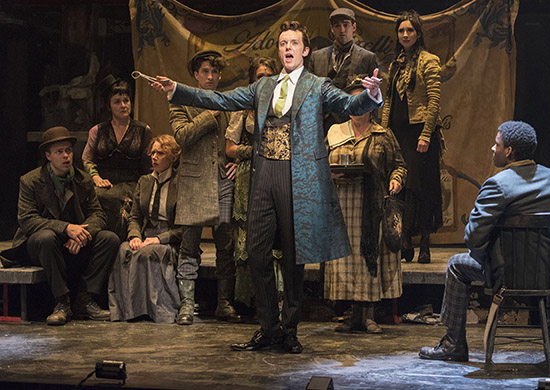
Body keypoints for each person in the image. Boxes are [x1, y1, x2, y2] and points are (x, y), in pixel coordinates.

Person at [149, 20, 384, 354]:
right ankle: (268, 328)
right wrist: (177, 90)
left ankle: (288, 330)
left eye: (294, 43)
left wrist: (373, 94)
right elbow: (221, 99)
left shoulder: (317, 86)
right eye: (283, 43)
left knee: (293, 257)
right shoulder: (262, 88)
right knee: (257, 252)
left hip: (296, 176)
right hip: (264, 173)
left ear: (305, 51)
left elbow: (348, 106)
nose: (287, 47)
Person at [419, 121, 550, 361]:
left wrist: (486, 249)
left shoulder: (497, 184)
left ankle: (453, 344)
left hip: (508, 274)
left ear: (509, 151)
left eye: (497, 144)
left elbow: (473, 237)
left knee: (455, 265)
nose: (493, 149)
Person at [0, 126, 119, 326]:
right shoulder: (30, 181)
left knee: (109, 239)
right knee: (46, 236)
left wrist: (82, 234)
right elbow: (28, 219)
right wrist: (66, 228)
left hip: (74, 241)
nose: (66, 156)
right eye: (59, 152)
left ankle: (85, 299)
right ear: (48, 156)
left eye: (69, 151)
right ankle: (61, 302)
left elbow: (97, 214)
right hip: (39, 244)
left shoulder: (83, 179)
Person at [325, 80, 407, 334]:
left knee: (367, 256)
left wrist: (396, 180)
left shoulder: (383, 135)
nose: (357, 105)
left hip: (371, 205)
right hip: (341, 204)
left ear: (371, 106)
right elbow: (317, 163)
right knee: (345, 260)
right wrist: (328, 175)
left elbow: (399, 165)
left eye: (363, 100)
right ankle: (352, 313)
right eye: (352, 101)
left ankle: (368, 314)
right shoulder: (335, 132)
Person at [169, 49, 241, 325]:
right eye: (205, 72)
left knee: (226, 245)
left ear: (219, 75)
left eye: (214, 72)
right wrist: (209, 114)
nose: (210, 77)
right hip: (193, 182)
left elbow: (236, 137)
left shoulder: (229, 101)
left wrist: (235, 161)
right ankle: (187, 304)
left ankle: (224, 303)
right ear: (196, 76)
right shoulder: (181, 101)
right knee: (189, 246)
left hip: (222, 180)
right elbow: (181, 137)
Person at [382, 10, 442, 264]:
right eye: (401, 30)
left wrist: (427, 134)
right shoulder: (395, 64)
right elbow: (388, 100)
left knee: (421, 186)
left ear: (418, 33)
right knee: (401, 186)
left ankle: (424, 242)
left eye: (410, 30)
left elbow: (434, 100)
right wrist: (383, 132)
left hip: (420, 132)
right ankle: (404, 239)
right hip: (398, 133)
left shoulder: (429, 60)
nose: (405, 34)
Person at [108, 134, 183, 322]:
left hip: (169, 237)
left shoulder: (180, 183)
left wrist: (159, 238)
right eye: (152, 153)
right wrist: (134, 236)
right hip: (146, 234)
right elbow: (135, 217)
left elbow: (185, 228)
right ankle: (127, 310)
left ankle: (155, 310)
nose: (154, 157)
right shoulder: (145, 181)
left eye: (160, 153)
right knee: (125, 250)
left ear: (173, 157)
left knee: (148, 253)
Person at [225, 56, 279, 307]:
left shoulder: (283, 105)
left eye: (269, 75)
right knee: (248, 236)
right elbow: (230, 149)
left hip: (276, 170)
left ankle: (275, 299)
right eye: (260, 76)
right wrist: (251, 151)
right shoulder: (242, 107)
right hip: (249, 174)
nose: (264, 80)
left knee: (275, 234)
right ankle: (249, 300)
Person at [82, 78, 153, 239]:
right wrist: (96, 177)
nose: (123, 105)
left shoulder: (142, 130)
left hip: (132, 183)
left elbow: (148, 165)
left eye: (126, 100)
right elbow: (87, 159)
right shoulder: (97, 131)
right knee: (95, 198)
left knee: (121, 200)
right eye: (117, 102)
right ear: (109, 105)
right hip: (105, 182)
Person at [309, 8, 379, 130]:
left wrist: (372, 126)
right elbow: (309, 95)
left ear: (354, 27)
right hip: (322, 123)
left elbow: (372, 95)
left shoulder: (367, 58)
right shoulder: (316, 57)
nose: (342, 30)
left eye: (346, 25)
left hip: (354, 123)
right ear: (332, 28)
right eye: (337, 25)